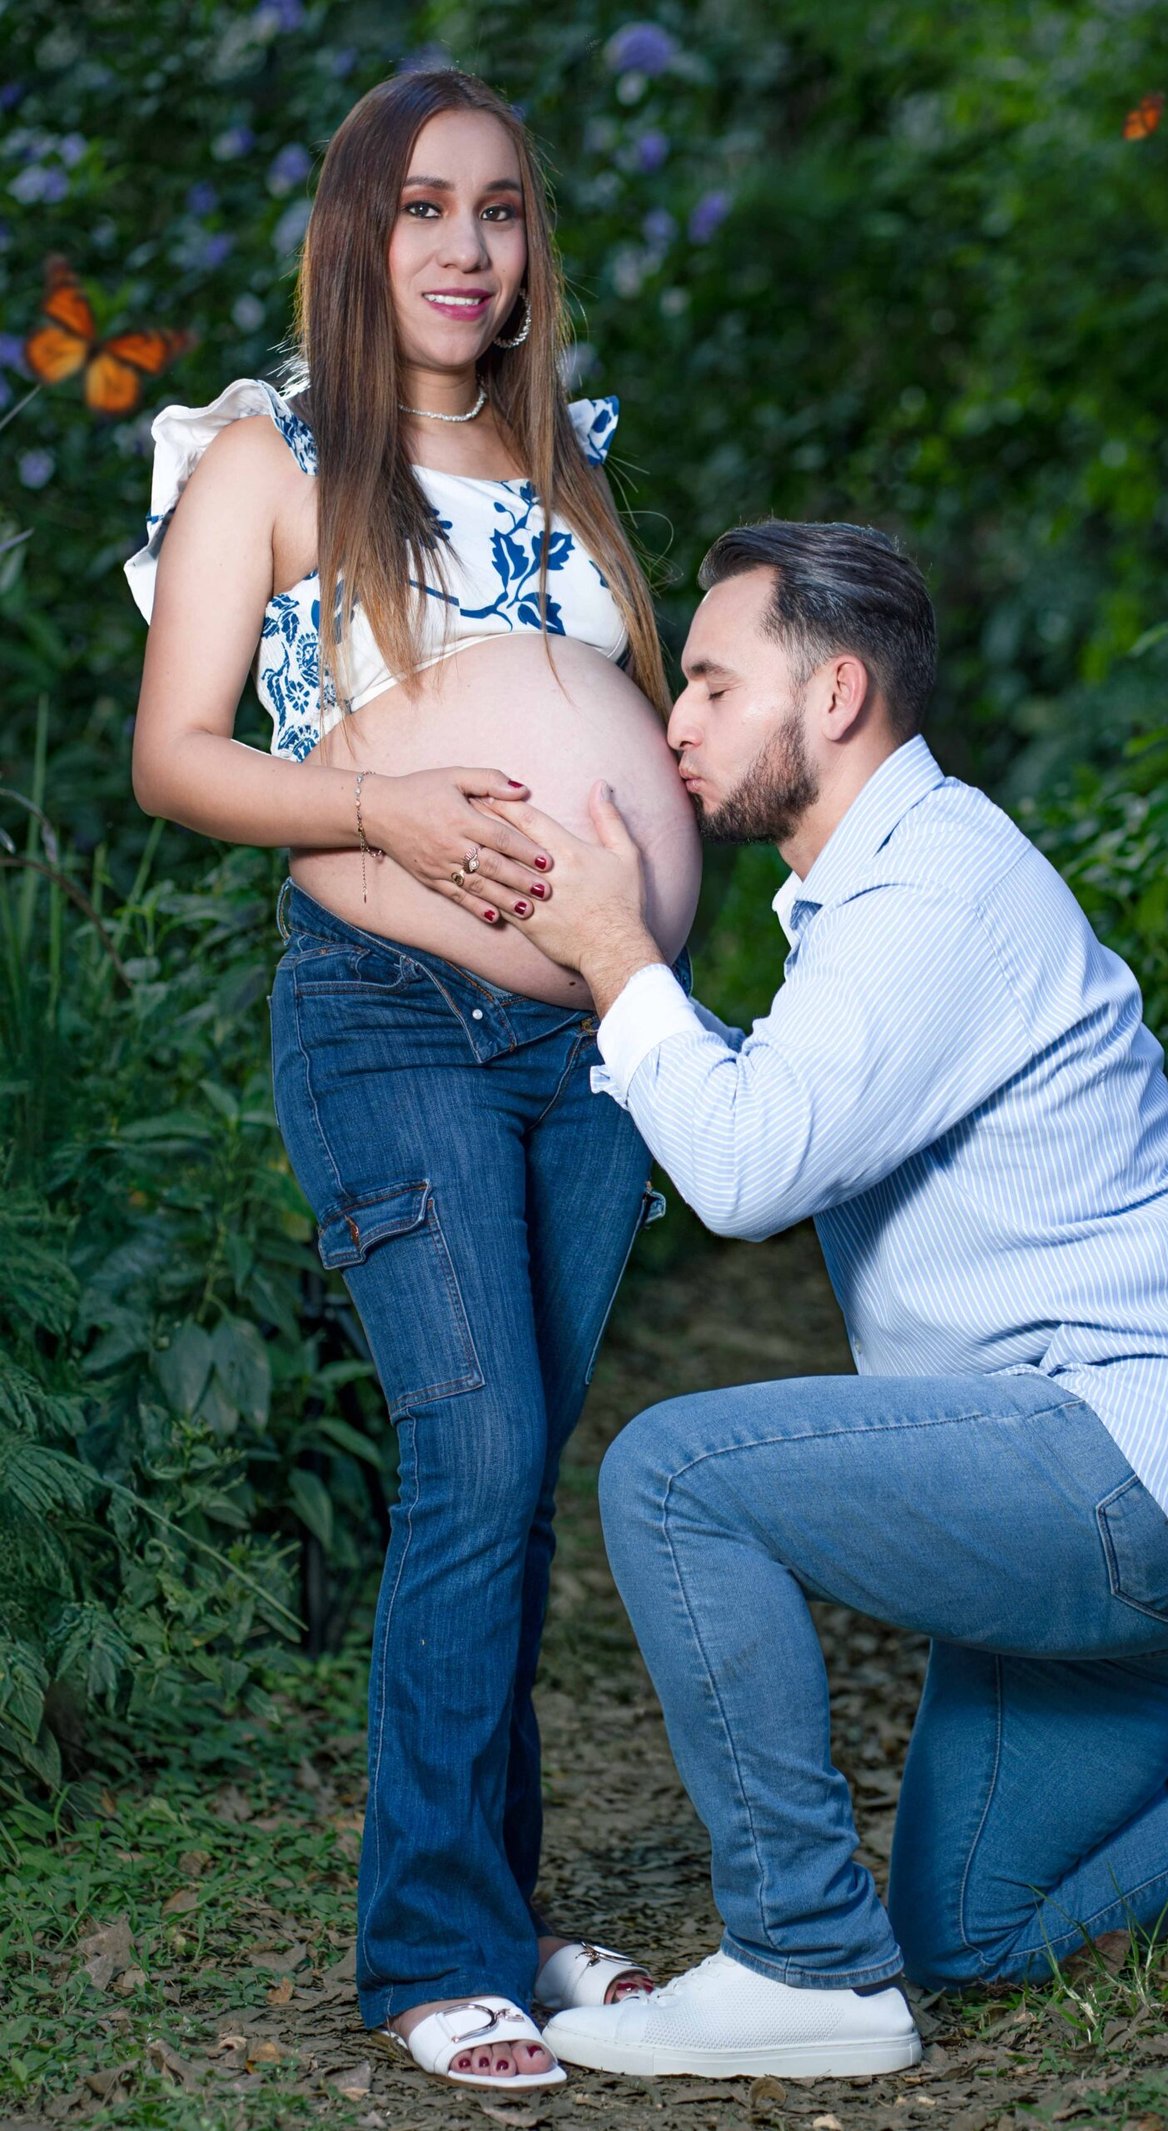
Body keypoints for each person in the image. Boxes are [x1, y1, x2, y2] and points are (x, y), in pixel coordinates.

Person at [464, 519, 1168, 2080]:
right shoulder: (882, 902)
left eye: (713, 684)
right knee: (972, 1931)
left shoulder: (939, 896)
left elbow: (743, 1169)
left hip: (1129, 1462)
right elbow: (759, 1105)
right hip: (1158, 1491)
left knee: (674, 1478)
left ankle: (794, 1962)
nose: (676, 724)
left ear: (836, 693)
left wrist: (607, 956)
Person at [125, 68, 702, 2092]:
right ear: (359, 234)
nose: (469, 248)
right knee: (471, 1460)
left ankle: (496, 1910)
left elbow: (627, 712)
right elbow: (177, 753)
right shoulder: (268, 456)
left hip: (592, 1042)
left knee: (516, 1468)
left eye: (506, 213)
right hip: (390, 1011)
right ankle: (430, 1945)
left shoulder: (559, 459)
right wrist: (382, 799)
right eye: (426, 209)